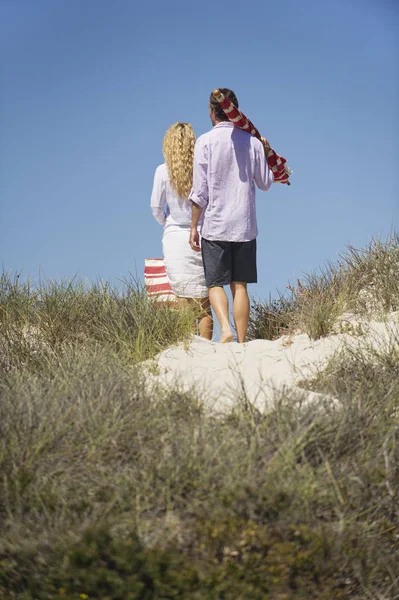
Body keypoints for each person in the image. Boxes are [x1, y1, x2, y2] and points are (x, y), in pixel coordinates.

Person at [189, 89, 274, 343]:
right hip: (245, 225)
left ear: (211, 112)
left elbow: (199, 192)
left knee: (215, 282)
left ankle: (225, 329)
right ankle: (241, 339)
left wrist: (193, 226)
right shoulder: (253, 142)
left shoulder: (204, 142)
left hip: (215, 224)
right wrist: (267, 154)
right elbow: (266, 183)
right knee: (240, 285)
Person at [150, 122, 213, 340]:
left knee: (183, 299)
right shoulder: (202, 168)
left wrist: (167, 223)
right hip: (203, 235)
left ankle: (190, 350)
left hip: (175, 237)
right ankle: (208, 351)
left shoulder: (162, 171)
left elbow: (155, 207)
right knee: (205, 304)